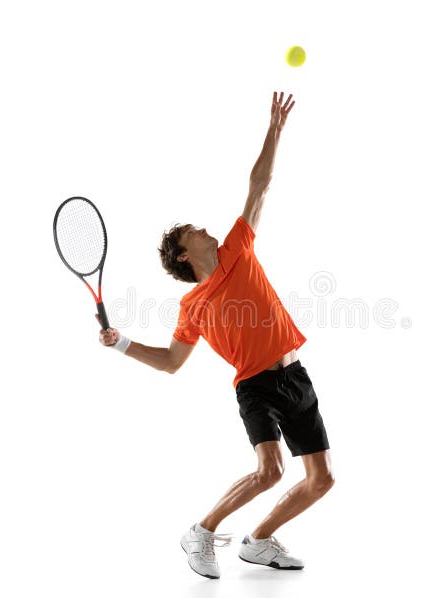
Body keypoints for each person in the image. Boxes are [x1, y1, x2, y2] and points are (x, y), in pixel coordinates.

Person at [98, 92, 334, 579]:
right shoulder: (192, 306)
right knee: (270, 470)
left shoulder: (236, 251)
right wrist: (120, 342)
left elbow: (259, 186)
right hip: (255, 387)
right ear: (184, 255)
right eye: (195, 232)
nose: (206, 231)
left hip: (296, 376)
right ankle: (201, 532)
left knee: (322, 480)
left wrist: (275, 129)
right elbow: (169, 361)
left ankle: (260, 542)